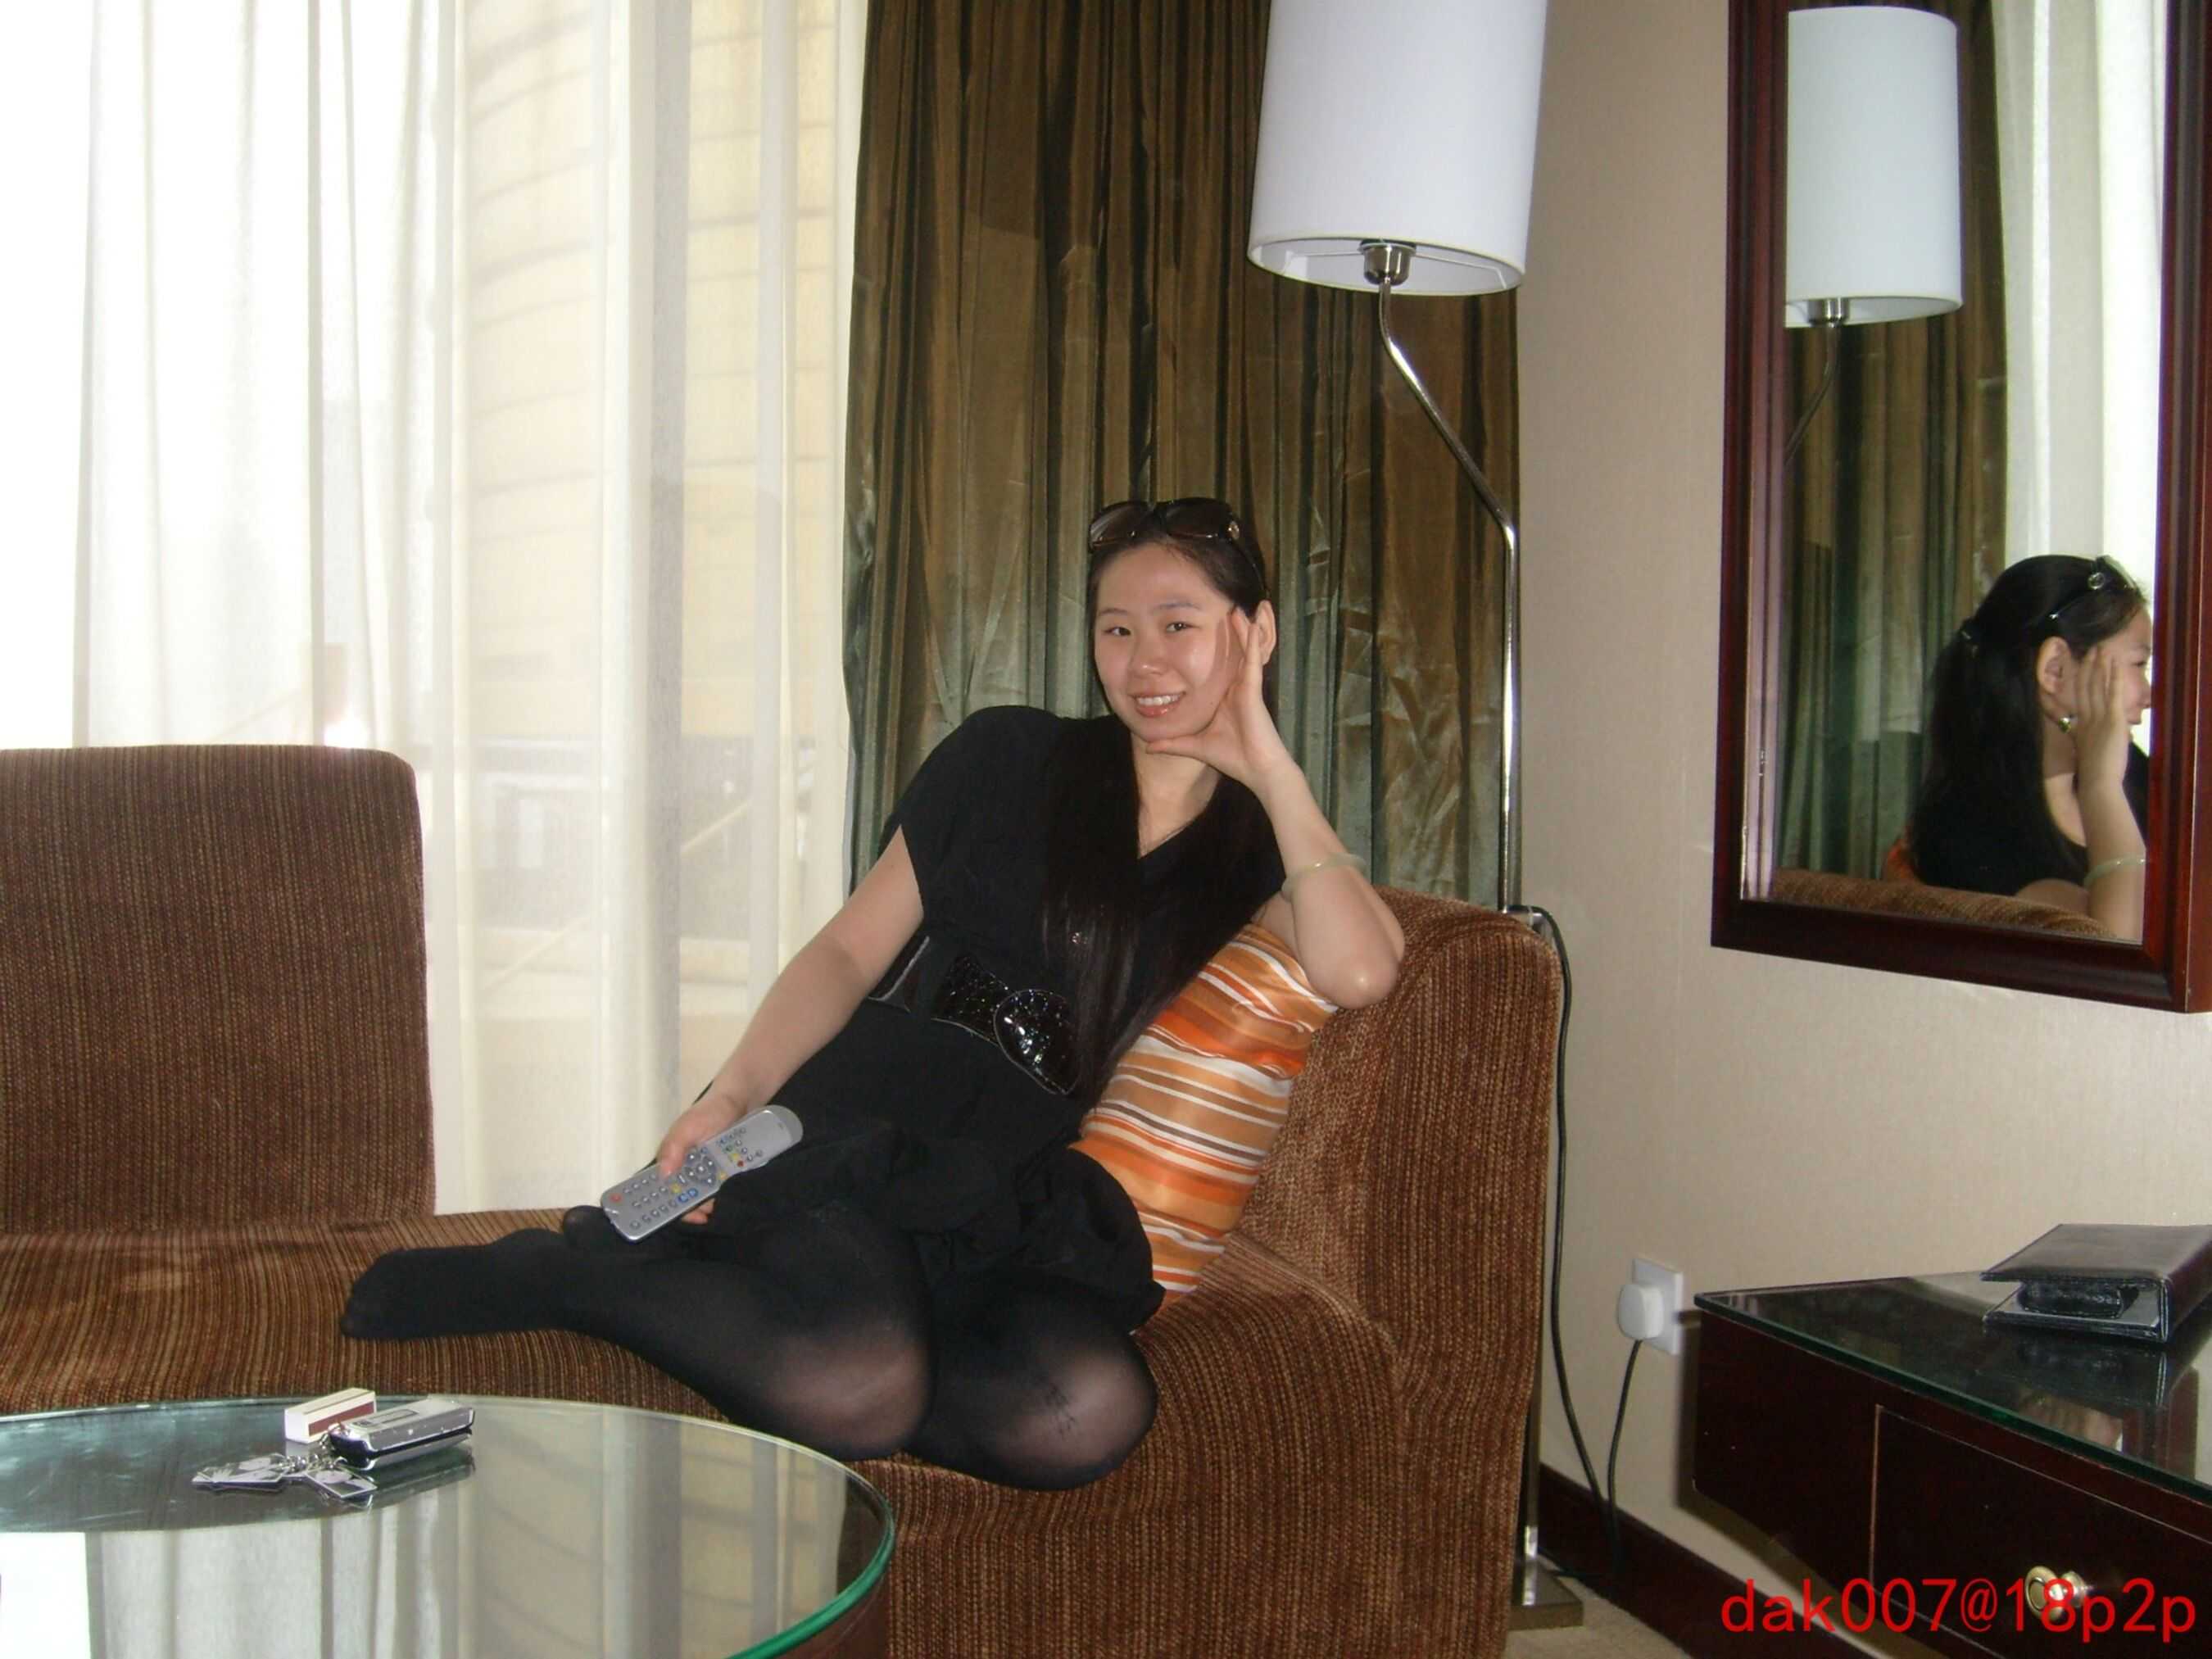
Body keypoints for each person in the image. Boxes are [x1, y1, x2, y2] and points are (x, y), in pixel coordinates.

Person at [342, 496, 1405, 1489]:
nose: (1144, 662)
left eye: (1179, 625)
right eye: (1116, 629)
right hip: (871, 1120)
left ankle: (785, 1307)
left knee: (1085, 1410)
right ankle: (560, 1274)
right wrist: (732, 1094)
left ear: (1256, 632)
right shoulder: (1011, 758)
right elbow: (850, 953)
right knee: (858, 1384)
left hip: (1011, 1192)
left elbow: (1363, 969)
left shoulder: (1261, 855)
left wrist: (1270, 763)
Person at [1905, 554, 2152, 937]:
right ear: (2055, 668)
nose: (2149, 696)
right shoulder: (1971, 828)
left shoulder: (2135, 773)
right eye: (2138, 665)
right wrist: (2100, 786)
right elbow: (2118, 944)